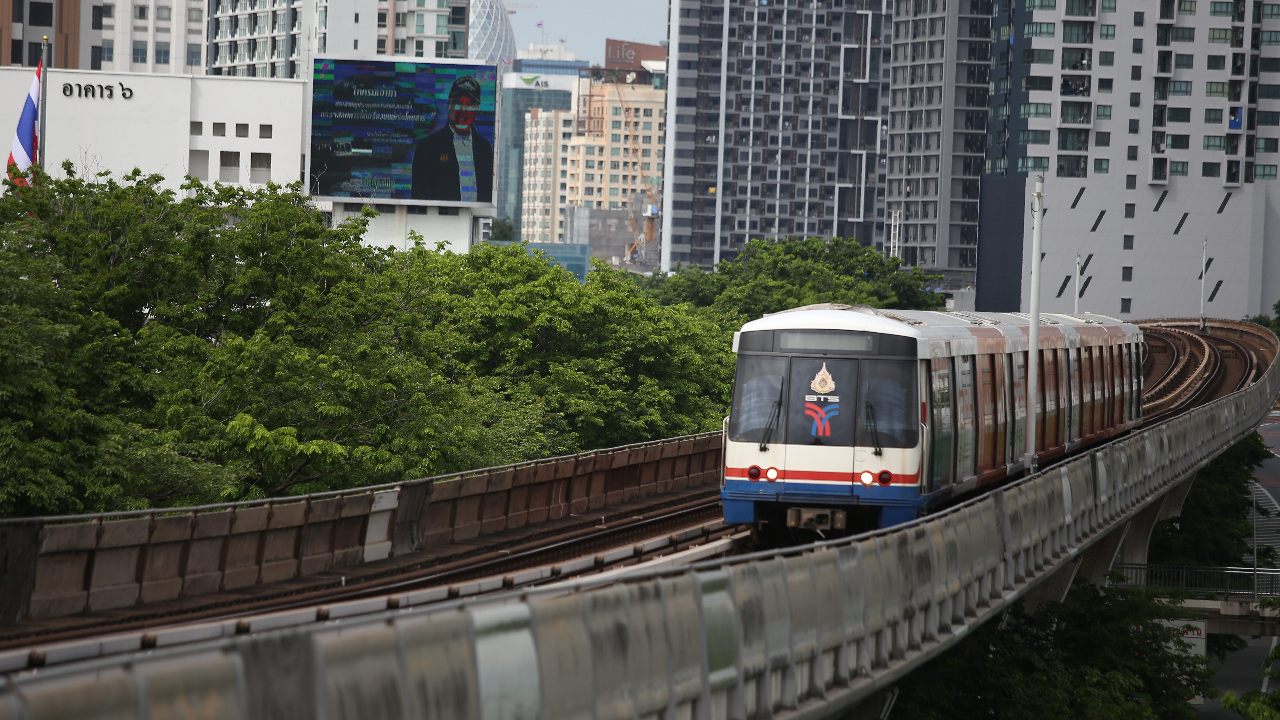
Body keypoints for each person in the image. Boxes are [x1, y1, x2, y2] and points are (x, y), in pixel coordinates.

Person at [411, 76, 494, 202]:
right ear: (449, 105)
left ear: (476, 108)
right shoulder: (428, 147)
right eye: (458, 103)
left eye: (469, 105)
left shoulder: (484, 148)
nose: (463, 110)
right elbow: (419, 197)